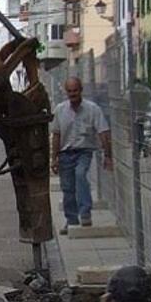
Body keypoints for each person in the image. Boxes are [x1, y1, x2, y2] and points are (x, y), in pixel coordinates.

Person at [49, 76, 112, 234]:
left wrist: (108, 155)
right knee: (67, 188)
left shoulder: (92, 109)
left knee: (80, 175)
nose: (73, 94)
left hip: (84, 151)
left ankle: (85, 213)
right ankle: (71, 220)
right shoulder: (60, 110)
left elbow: (103, 132)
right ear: (66, 92)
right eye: (69, 91)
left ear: (81, 90)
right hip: (65, 153)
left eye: (75, 90)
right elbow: (56, 135)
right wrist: (54, 158)